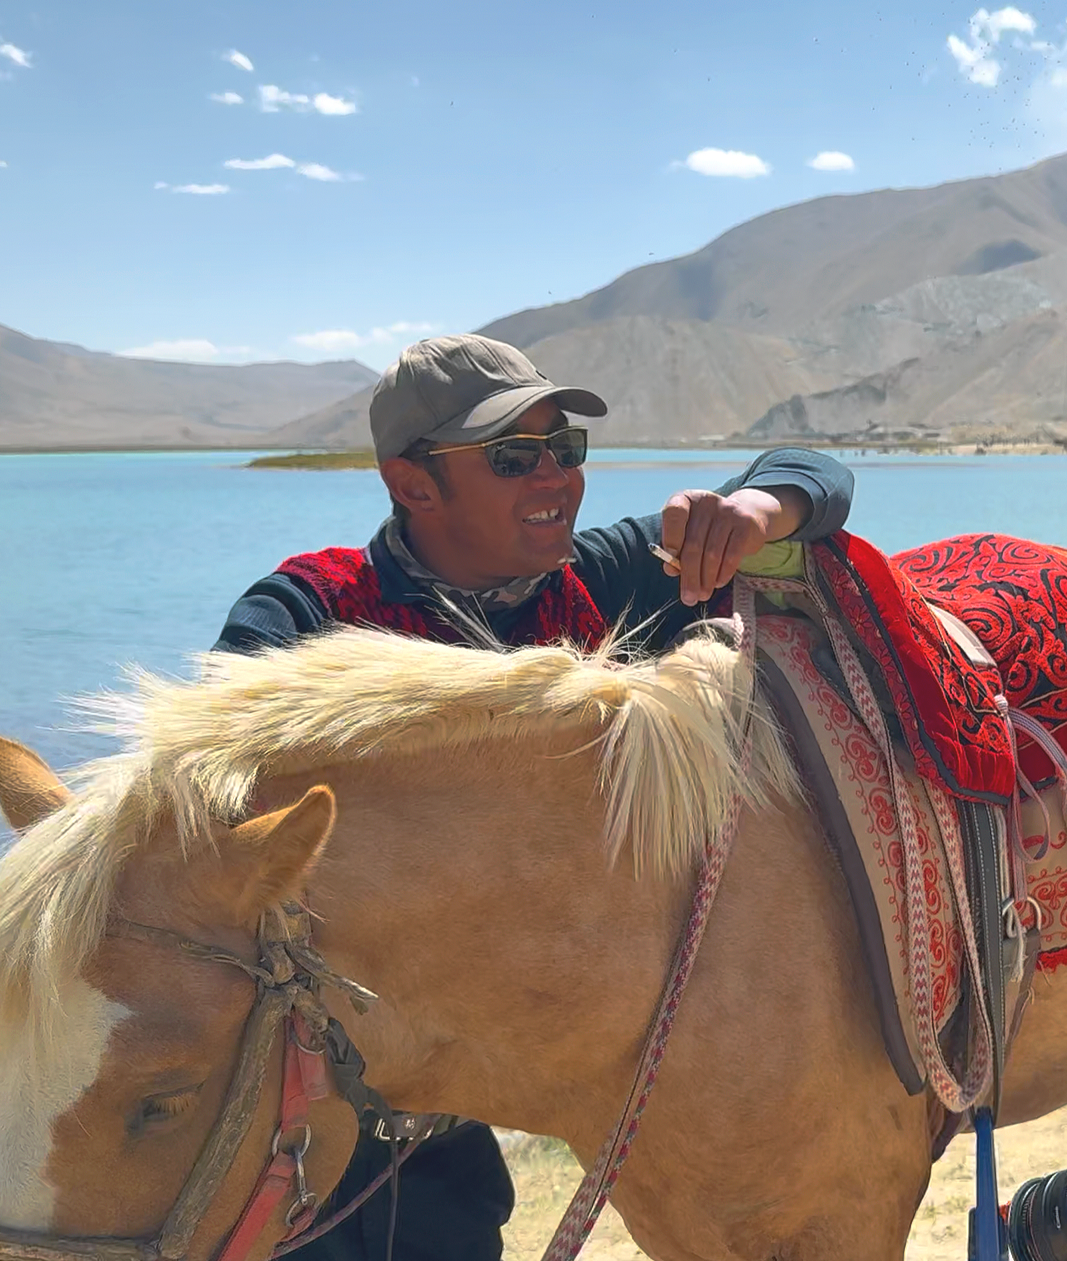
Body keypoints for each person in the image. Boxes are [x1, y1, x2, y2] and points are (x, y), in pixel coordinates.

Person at [215, 332, 856, 1260]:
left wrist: (755, 509)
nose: (555, 476)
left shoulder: (612, 582)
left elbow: (819, 475)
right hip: (298, 1107)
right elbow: (208, 816)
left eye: (568, 450)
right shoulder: (305, 617)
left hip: (448, 1125)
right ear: (412, 484)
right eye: (515, 457)